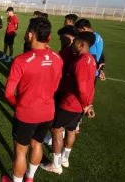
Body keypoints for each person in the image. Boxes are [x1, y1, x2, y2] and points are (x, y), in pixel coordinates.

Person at [2, 17, 63, 182]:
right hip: (48, 111)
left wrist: (19, 105)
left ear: (30, 35)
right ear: (49, 37)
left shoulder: (21, 61)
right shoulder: (58, 59)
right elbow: (56, 87)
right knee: (37, 144)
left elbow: (8, 93)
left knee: (21, 150)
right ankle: (30, 178)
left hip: (27, 113)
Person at [41, 32, 97, 175]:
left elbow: (82, 87)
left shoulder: (80, 62)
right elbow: (91, 86)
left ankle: (56, 165)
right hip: (78, 105)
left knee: (56, 130)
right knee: (71, 129)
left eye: (75, 42)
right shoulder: (91, 59)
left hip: (71, 103)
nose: (72, 44)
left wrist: (85, 104)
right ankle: (65, 160)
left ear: (82, 44)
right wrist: (88, 103)